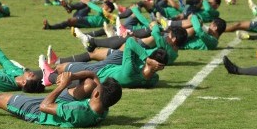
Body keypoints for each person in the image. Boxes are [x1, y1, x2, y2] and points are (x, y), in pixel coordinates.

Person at [0, 71, 122, 128]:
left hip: (39, 112)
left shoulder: (79, 111)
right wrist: (70, 76)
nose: (96, 88)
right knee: (89, 82)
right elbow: (94, 75)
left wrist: (62, 85)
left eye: (97, 90)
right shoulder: (103, 106)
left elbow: (44, 106)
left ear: (97, 95)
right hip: (64, 103)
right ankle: (51, 75)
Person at [40, 37, 168, 88]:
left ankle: (48, 76)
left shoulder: (130, 71)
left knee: (62, 68)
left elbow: (130, 42)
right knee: (99, 54)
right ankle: (53, 65)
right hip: (111, 68)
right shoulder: (153, 79)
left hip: (99, 71)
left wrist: (146, 58)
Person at [157, 14, 227, 50]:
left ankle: (168, 24)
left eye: (211, 25)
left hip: (179, 42)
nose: (209, 26)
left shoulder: (213, 41)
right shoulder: (211, 38)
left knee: (196, 25)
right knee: (196, 24)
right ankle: (168, 25)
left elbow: (198, 30)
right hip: (176, 38)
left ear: (215, 27)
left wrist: (194, 16)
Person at [43, 0, 115, 30]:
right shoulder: (103, 12)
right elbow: (98, 9)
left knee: (69, 22)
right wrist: (86, 3)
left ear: (109, 9)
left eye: (104, 5)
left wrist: (88, 2)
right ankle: (70, 8)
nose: (102, 5)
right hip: (84, 18)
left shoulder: (108, 16)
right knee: (85, 6)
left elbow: (99, 10)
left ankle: (50, 27)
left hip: (87, 23)